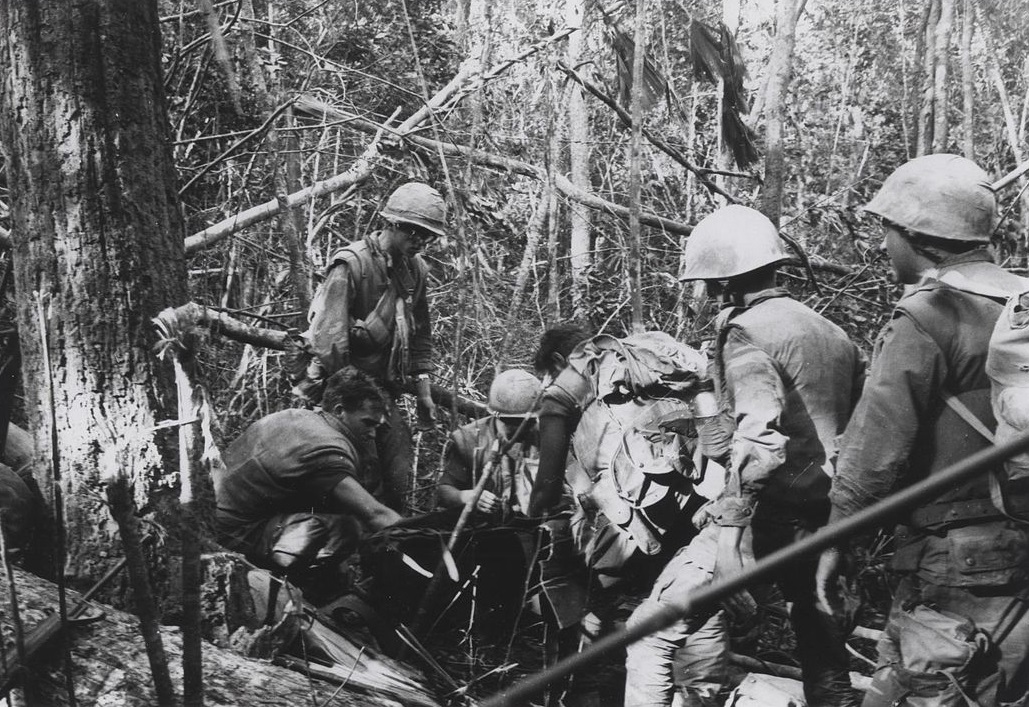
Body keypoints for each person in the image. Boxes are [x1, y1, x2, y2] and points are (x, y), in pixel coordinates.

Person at [627, 205, 866, 707]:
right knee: (825, 661)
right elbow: (858, 433)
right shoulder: (834, 334)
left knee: (649, 633)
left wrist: (731, 545)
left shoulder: (746, 334)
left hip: (765, 519)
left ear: (722, 283)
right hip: (823, 520)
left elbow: (760, 439)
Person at [816, 154, 1029, 707]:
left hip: (958, 564)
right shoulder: (1022, 303)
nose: (884, 244)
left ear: (916, 235)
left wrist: (837, 542)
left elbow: (873, 454)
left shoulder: (927, 315)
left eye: (887, 230)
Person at [530, 323, 728, 707]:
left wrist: (538, 512)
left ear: (559, 361)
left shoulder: (566, 390)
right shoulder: (648, 368)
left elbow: (545, 492)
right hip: (692, 510)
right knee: (687, 618)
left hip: (630, 527)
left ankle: (592, 695)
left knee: (605, 611)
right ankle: (697, 694)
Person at [297, 181, 447, 512]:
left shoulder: (416, 271)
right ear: (391, 224)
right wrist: (355, 398)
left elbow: (421, 333)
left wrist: (423, 391)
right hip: (339, 392)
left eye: (427, 236)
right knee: (343, 478)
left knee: (397, 478)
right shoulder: (352, 265)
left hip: (384, 392)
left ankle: (388, 548)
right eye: (413, 232)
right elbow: (328, 341)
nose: (419, 242)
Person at [214, 367, 402, 602]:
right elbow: (373, 513)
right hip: (232, 536)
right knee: (345, 530)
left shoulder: (297, 417)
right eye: (367, 423)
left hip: (216, 517)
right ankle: (294, 589)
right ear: (340, 411)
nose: (373, 434)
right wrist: (420, 541)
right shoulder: (329, 447)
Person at [438, 368, 544, 518]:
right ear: (496, 416)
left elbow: (573, 474)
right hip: (483, 528)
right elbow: (444, 490)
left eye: (528, 422)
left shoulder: (545, 436)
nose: (521, 429)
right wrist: (470, 497)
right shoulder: (469, 439)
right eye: (513, 422)